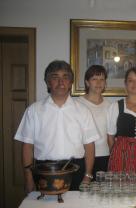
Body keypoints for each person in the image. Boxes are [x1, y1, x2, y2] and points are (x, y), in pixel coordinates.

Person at [14, 60, 99, 192]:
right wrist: (28, 178)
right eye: (55, 77)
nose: (61, 82)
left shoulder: (83, 111)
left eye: (65, 77)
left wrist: (88, 176)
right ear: (48, 82)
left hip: (76, 171)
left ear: (71, 82)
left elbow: (89, 146)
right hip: (44, 171)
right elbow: (27, 146)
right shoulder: (34, 111)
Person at [77, 65, 111, 177]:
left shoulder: (110, 106)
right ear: (87, 82)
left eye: (102, 79)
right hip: (82, 156)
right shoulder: (77, 104)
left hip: (105, 156)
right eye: (94, 79)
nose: (98, 83)